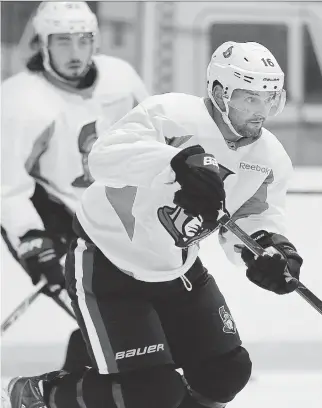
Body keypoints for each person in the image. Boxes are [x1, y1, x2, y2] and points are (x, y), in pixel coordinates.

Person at [5, 41, 303, 408]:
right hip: (108, 263)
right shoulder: (171, 114)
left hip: (177, 269)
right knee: (153, 392)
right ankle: (42, 395)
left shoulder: (270, 157)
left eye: (270, 99)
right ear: (218, 92)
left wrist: (271, 251)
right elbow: (104, 158)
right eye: (250, 99)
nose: (261, 112)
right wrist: (176, 163)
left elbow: (251, 219)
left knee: (226, 372)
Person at [1, 1, 149, 374]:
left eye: (84, 41)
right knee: (111, 320)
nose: (75, 53)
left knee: (141, 313)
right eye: (63, 42)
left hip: (115, 216)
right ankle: (57, 392)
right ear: (42, 44)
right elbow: (7, 185)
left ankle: (72, 389)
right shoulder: (19, 100)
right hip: (56, 222)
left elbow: (156, 139)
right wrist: (32, 241)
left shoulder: (122, 78)